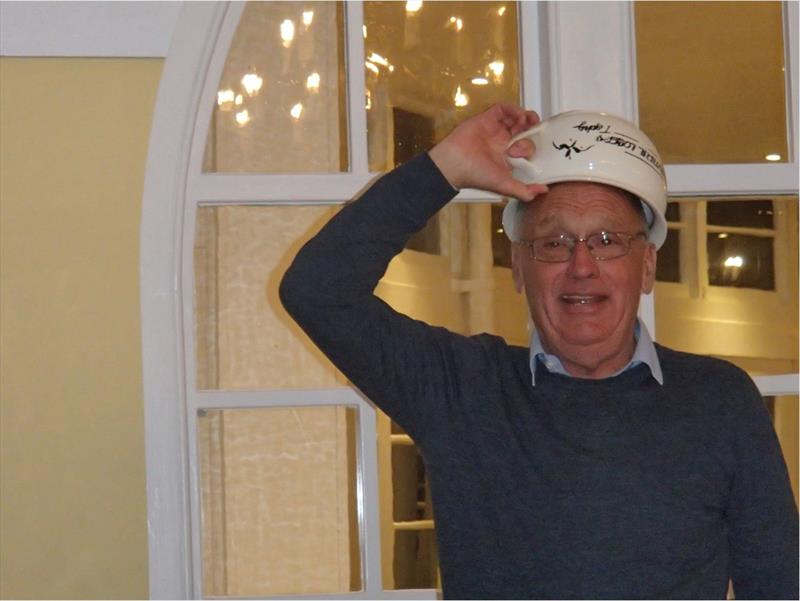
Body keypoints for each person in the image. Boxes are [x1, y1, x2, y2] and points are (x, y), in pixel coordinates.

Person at [280, 103, 798, 599]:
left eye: (606, 240)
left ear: (646, 267)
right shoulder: (463, 391)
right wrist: (446, 168)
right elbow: (317, 291)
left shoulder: (720, 401)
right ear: (519, 269)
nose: (581, 266)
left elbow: (781, 587)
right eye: (554, 243)